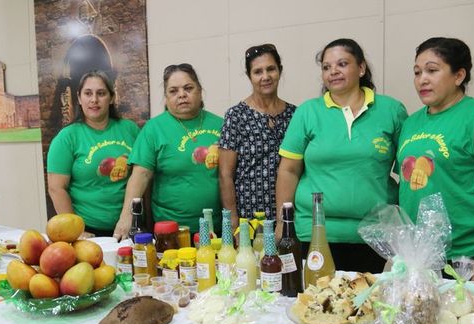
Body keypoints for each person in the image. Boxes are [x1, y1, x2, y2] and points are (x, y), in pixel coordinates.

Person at [276, 38, 408, 273]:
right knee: (316, 303)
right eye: (326, 67)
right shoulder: (308, 112)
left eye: (342, 64)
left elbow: (407, 173)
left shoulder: (391, 110)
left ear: (362, 68)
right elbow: (288, 170)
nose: (333, 72)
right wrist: (282, 224)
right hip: (313, 232)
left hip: (372, 235)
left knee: (363, 306)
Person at [397, 37, 474, 282]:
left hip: (466, 258)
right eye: (417, 72)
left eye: (432, 70)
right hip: (418, 259)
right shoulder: (411, 123)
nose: (422, 80)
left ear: (459, 76)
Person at [113, 63, 223, 239]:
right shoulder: (153, 129)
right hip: (171, 232)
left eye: (188, 88)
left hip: (217, 228)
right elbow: (140, 175)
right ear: (166, 97)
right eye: (173, 91)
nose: (182, 95)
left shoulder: (222, 125)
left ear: (200, 90)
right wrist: (126, 218)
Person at [47, 71, 140, 237]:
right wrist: (77, 230)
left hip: (130, 226)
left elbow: (142, 175)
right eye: (88, 93)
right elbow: (56, 188)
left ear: (111, 98)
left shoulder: (130, 129)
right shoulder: (67, 137)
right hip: (89, 231)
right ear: (79, 98)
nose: (94, 100)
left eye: (101, 93)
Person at [219, 44, 296, 229]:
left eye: (271, 69)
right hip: (249, 218)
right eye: (257, 71)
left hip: (288, 216)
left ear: (280, 70)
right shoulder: (236, 115)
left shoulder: (296, 115)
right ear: (249, 76)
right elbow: (225, 174)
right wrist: (232, 221)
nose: (265, 77)